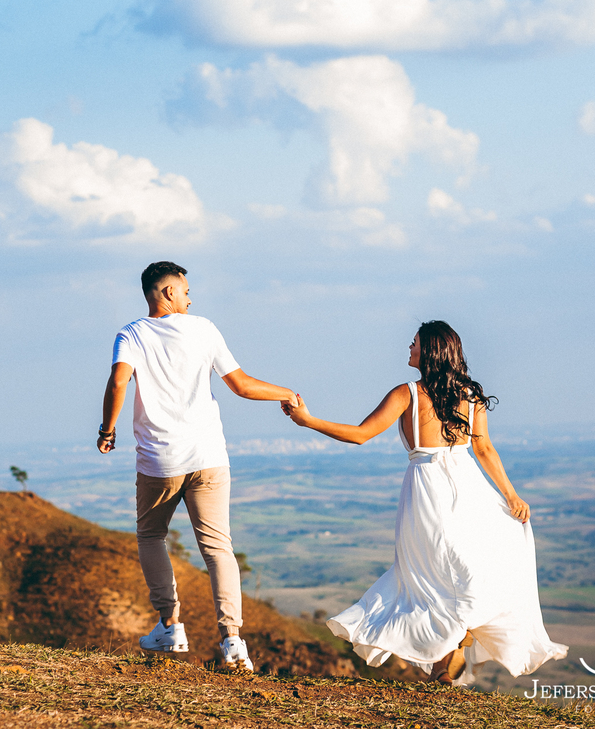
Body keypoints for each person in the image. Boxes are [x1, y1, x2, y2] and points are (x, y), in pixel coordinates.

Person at [283, 320, 567, 685]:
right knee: (450, 571)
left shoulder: (407, 393)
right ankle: (445, 661)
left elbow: (359, 436)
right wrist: (509, 495)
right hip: (465, 486)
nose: (409, 347)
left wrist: (308, 421)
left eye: (415, 343)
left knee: (433, 574)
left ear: (430, 351)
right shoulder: (467, 394)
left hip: (430, 491)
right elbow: (483, 449)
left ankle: (449, 652)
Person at [99, 261, 298, 671]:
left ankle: (170, 626)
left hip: (160, 461)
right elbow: (240, 385)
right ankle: (233, 643)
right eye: (185, 290)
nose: (190, 297)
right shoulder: (205, 329)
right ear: (167, 292)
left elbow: (119, 382)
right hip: (209, 457)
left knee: (151, 535)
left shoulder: (131, 334)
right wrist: (287, 393)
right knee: (217, 548)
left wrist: (107, 428)